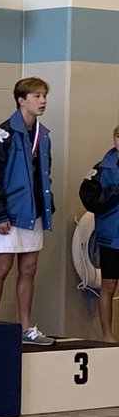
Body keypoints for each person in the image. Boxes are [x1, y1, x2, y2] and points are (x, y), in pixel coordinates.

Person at [0, 77, 55, 345]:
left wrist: (47, 206)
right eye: (36, 95)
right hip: (7, 214)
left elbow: (44, 174)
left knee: (29, 268)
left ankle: (25, 326)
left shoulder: (43, 136)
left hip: (32, 212)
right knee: (2, 266)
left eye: (44, 95)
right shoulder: (1, 135)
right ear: (21, 99)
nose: (42, 100)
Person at [80, 125, 119, 343]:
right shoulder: (101, 170)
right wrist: (115, 191)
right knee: (109, 286)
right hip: (111, 236)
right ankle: (107, 336)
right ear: (114, 139)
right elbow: (89, 199)